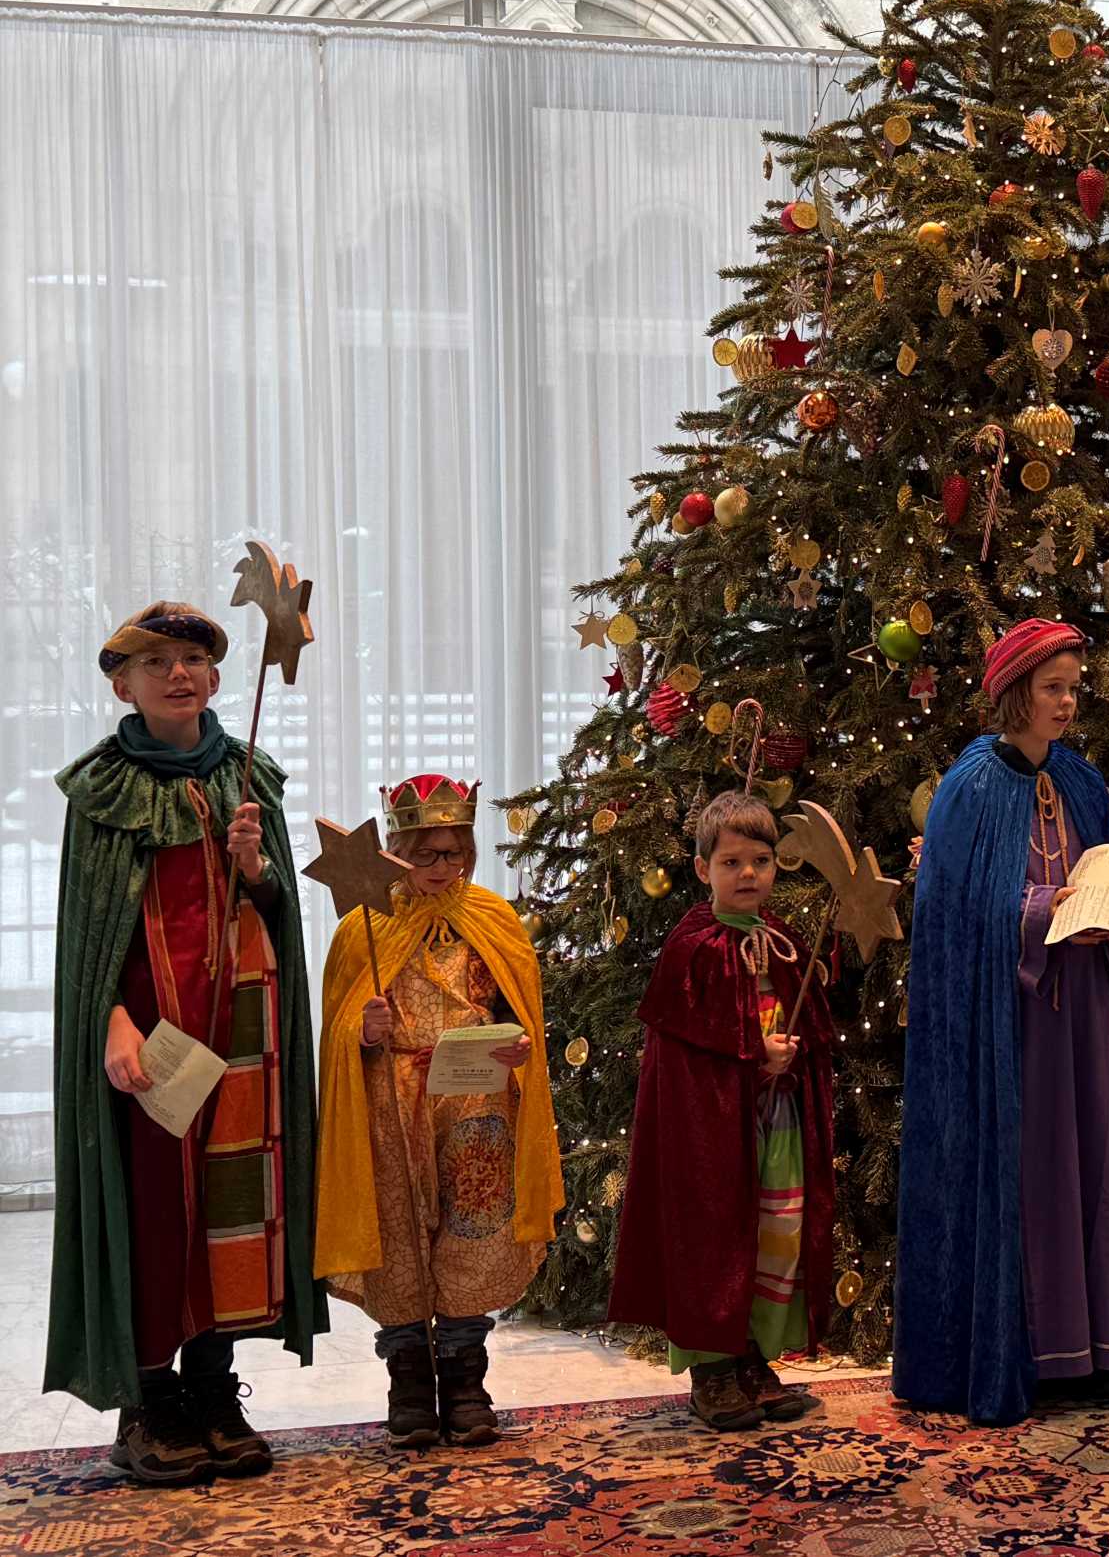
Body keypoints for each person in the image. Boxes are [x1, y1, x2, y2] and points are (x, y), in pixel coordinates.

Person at [49, 601, 324, 1485]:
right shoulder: (105, 788)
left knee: (232, 1200)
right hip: (150, 1036)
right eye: (157, 661)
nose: (179, 674)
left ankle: (212, 1386)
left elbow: (274, 910)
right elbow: (89, 933)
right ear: (122, 686)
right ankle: (147, 1400)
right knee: (154, 1208)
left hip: (241, 1028)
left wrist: (256, 870)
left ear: (215, 677)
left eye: (194, 659)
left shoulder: (250, 775)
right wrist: (109, 1020)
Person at [893, 620, 1109, 1425]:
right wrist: (1041, 908)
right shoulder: (970, 786)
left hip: (1087, 1005)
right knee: (1036, 1170)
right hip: (1014, 1019)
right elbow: (953, 911)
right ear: (1014, 693)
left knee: (1092, 1162)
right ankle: (1032, 1349)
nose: (1066, 703)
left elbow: (1106, 866)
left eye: (1073, 688)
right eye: (1051, 688)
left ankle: (1098, 1347)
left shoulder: (1079, 779)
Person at [315, 775, 563, 1449]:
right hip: (390, 1107)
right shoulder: (365, 928)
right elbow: (337, 1031)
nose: (440, 867)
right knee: (396, 1236)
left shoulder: (492, 919)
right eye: (424, 854)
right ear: (395, 852)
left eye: (453, 853)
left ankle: (463, 1378)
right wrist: (361, 1030)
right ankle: (407, 1381)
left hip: (477, 1103)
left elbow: (516, 1013)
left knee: (472, 1233)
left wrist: (517, 1047)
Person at [609, 791, 837, 1429]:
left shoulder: (783, 941)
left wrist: (792, 1054)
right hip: (712, 1132)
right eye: (731, 862)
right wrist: (753, 1053)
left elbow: (810, 1025)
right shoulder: (693, 948)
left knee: (776, 1230)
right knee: (715, 1231)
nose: (748, 874)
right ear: (702, 867)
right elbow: (687, 1053)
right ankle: (711, 1366)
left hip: (777, 1119)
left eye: (761, 861)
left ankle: (755, 1356)